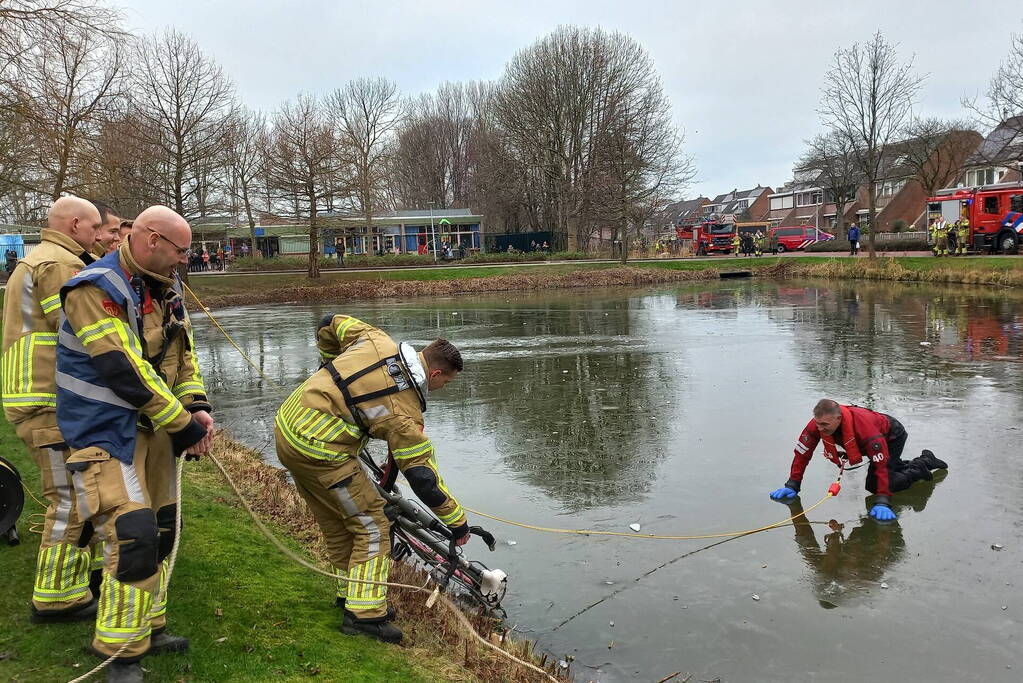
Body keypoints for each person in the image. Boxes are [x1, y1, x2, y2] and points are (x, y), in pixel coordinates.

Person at [57, 206, 215, 682]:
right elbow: (122, 368)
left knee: (163, 528)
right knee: (134, 535)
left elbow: (181, 354)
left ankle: (150, 626)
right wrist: (182, 424)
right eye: (181, 251)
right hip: (105, 429)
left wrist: (196, 404)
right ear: (151, 240)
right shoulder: (94, 288)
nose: (186, 260)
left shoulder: (165, 287)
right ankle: (120, 655)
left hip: (154, 429)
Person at [274, 315, 473, 644]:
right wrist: (459, 523)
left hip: (287, 429)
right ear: (435, 374)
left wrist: (328, 366)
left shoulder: (375, 339)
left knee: (340, 523)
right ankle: (365, 617)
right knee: (372, 526)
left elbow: (328, 323)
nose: (442, 389)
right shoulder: (405, 413)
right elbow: (424, 479)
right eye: (446, 383)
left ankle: (349, 595)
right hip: (322, 453)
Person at [2, 196, 103, 623]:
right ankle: (57, 596)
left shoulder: (37, 259)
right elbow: (80, 331)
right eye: (95, 227)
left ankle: (75, 581)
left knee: (74, 496)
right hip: (49, 400)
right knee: (69, 498)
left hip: (36, 396)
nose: (99, 235)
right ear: (75, 224)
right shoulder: (60, 265)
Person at [769, 399, 947, 521]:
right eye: (818, 424)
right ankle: (910, 464)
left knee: (874, 485)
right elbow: (802, 454)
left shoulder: (865, 429)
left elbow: (881, 465)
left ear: (838, 419)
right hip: (871, 440)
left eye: (825, 425)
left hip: (892, 436)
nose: (820, 429)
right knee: (885, 473)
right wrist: (792, 484)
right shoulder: (817, 425)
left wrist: (883, 500)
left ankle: (922, 465)